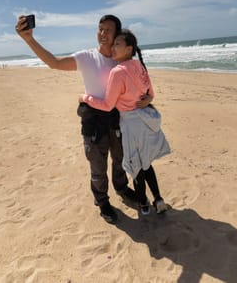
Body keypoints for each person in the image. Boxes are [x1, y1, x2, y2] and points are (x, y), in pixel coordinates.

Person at [15, 14, 150, 224]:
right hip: (94, 121)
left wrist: (148, 97)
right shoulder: (87, 57)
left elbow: (140, 82)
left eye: (108, 30)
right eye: (100, 29)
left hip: (118, 119)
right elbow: (55, 63)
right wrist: (29, 39)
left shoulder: (122, 59)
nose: (103, 34)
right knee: (97, 165)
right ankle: (102, 201)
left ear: (117, 35)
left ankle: (122, 188)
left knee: (119, 160)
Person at [80, 29, 170, 215]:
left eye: (117, 44)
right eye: (113, 44)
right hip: (145, 120)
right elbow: (151, 94)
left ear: (129, 49)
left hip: (130, 124)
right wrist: (147, 101)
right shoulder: (139, 65)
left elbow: (106, 105)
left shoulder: (118, 72)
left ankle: (144, 204)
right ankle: (158, 199)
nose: (113, 47)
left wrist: (86, 98)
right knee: (146, 162)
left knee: (135, 164)